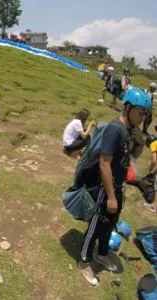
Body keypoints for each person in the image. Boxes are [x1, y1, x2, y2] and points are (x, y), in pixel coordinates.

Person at [79, 88, 152, 286]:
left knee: (111, 222)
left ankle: (102, 252)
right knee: (98, 222)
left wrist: (139, 142)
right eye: (140, 112)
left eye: (145, 114)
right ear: (127, 107)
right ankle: (84, 260)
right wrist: (110, 196)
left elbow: (130, 159)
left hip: (118, 186)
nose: (142, 117)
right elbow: (104, 163)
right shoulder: (114, 129)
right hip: (106, 187)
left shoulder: (128, 132)